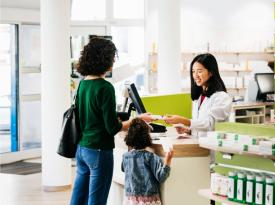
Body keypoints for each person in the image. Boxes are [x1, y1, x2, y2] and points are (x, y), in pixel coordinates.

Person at [70, 37, 154, 205]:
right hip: (99, 150)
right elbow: (112, 128)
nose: (113, 63)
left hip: (82, 148)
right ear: (104, 60)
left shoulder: (83, 84)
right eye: (112, 58)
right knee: (97, 200)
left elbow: (87, 115)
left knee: (78, 198)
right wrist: (137, 119)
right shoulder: (105, 87)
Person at [164, 53, 232, 138]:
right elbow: (200, 125)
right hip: (199, 146)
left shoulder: (222, 97)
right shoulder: (199, 97)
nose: (195, 75)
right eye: (193, 71)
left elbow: (210, 124)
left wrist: (184, 121)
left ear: (210, 72)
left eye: (199, 71)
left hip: (213, 149)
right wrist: (188, 130)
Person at [122, 118, 173, 205]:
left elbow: (124, 169)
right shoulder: (150, 157)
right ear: (147, 137)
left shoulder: (125, 156)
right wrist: (167, 160)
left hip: (131, 200)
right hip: (148, 201)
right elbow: (161, 177)